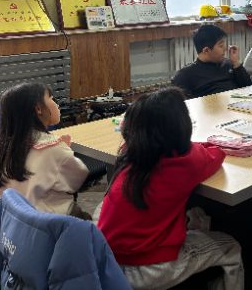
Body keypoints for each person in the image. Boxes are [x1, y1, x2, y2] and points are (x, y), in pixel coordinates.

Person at [97, 87, 243, 290]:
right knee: (231, 247)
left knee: (193, 216)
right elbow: (217, 153)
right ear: (182, 128)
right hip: (149, 268)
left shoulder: (128, 155)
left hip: (107, 262)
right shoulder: (186, 163)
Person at [0, 82, 90, 217]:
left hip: (14, 223)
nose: (56, 104)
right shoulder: (54, 148)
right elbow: (78, 178)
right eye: (51, 98)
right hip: (52, 222)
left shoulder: (0, 150)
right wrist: (64, 151)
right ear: (38, 109)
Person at [172, 24, 252, 98]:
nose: (225, 49)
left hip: (237, 105)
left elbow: (250, 88)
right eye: (221, 46)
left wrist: (236, 63)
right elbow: (178, 104)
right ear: (206, 50)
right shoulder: (186, 75)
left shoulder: (229, 64)